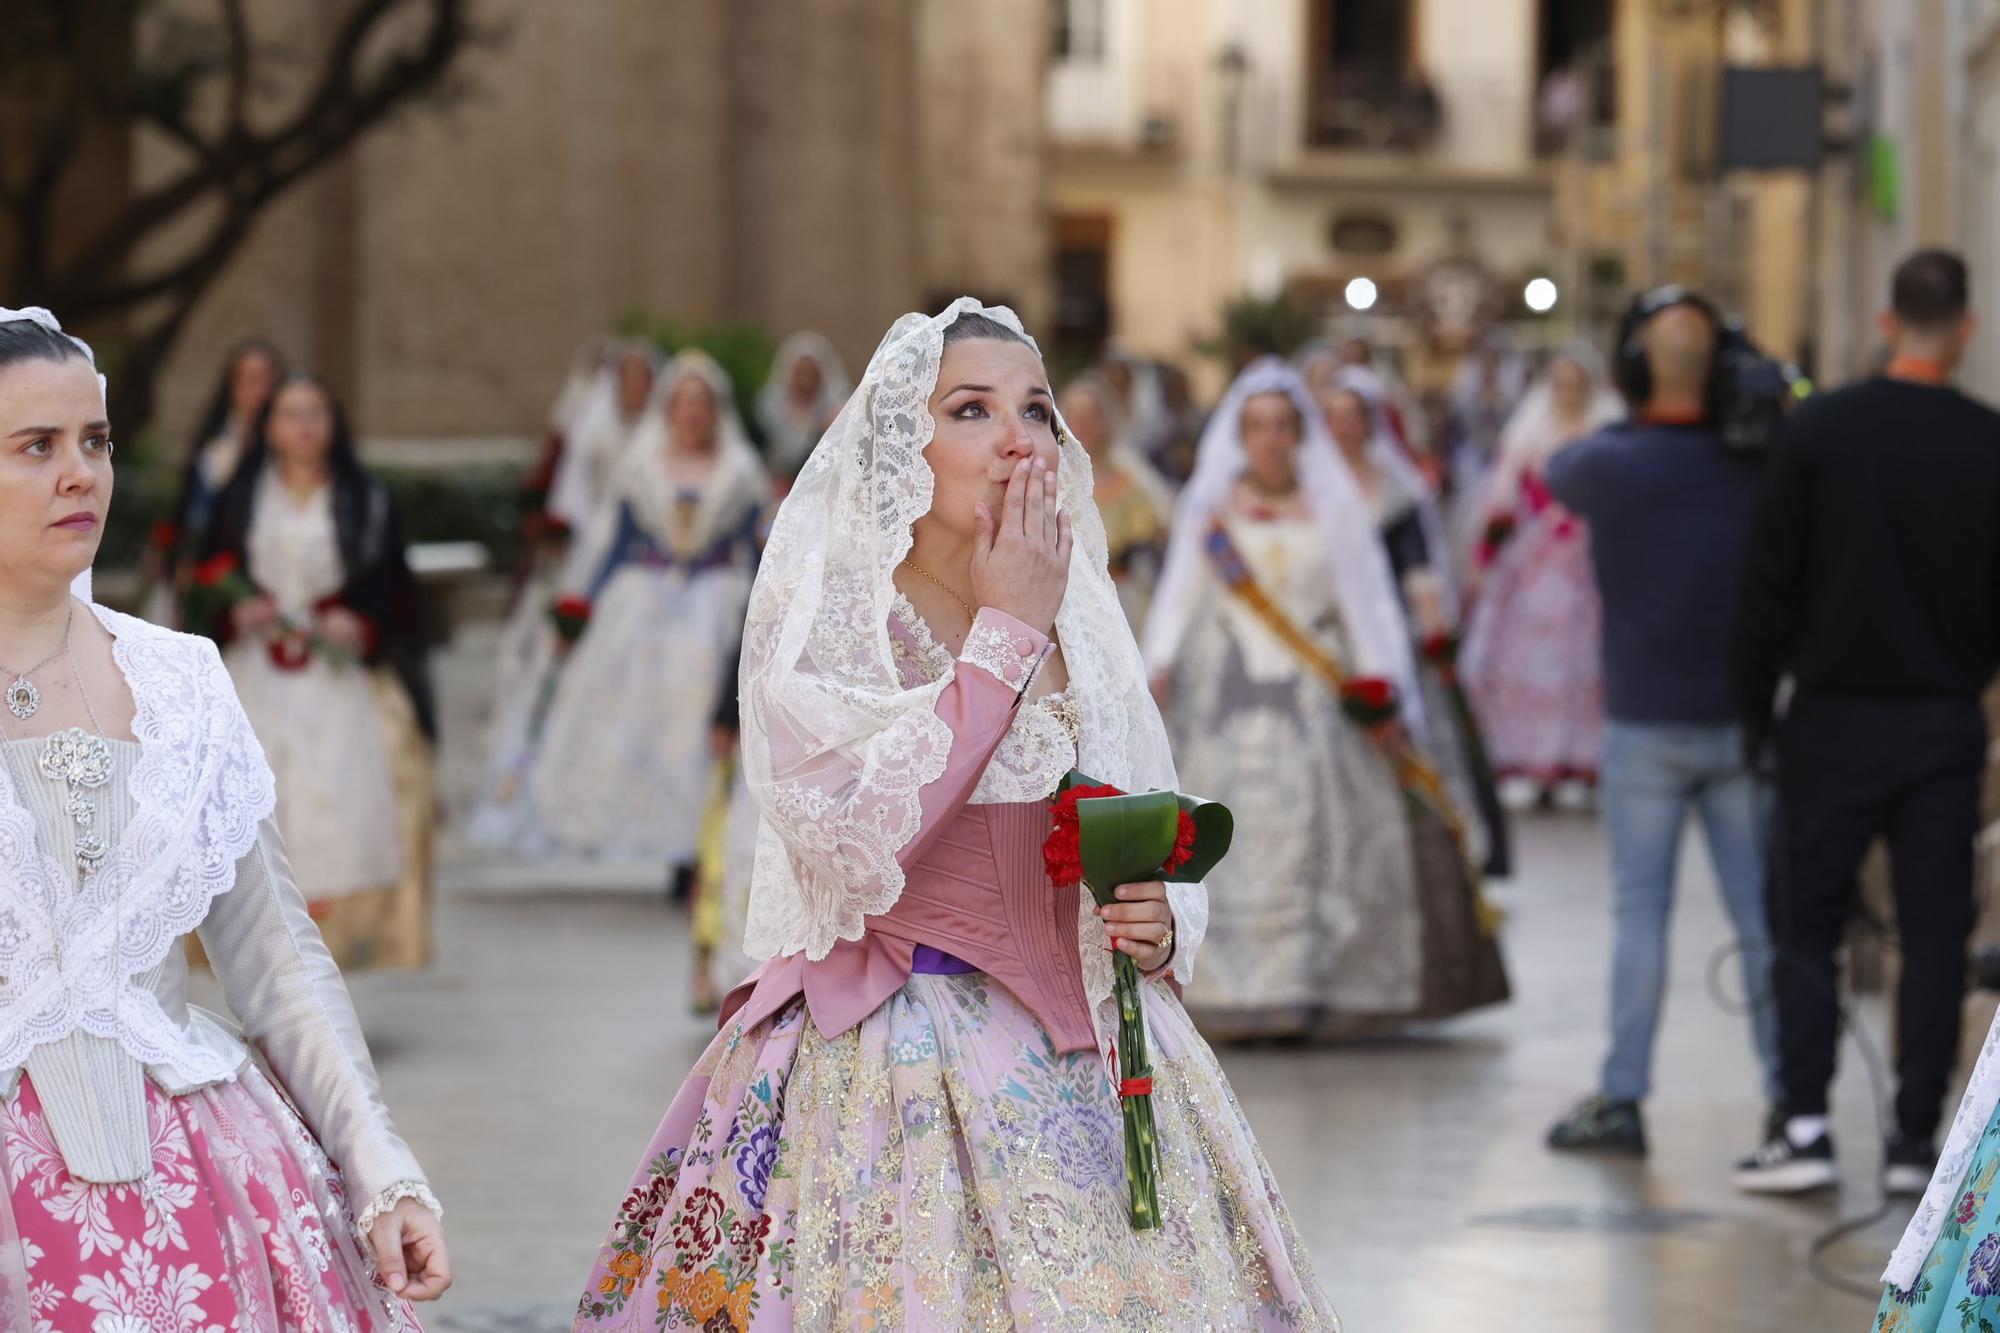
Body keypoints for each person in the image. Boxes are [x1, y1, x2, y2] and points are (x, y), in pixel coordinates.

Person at [571, 301, 1337, 1330]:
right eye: (971, 409)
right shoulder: (833, 625)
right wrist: (1002, 635)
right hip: (896, 1058)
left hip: (1091, 1058)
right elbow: (856, 847)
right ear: (902, 445)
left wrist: (1149, 918)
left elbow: (1128, 803)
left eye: (1036, 408)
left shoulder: (1076, 613)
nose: (1018, 436)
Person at [0, 307, 448, 1322]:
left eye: (95, 442)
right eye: (37, 446)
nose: (81, 474)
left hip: (202, 1193)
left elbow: (278, 963)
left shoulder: (182, 684)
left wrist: (380, 1165)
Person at [1736, 250, 2000, 1214]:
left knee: (1809, 922)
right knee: (1935, 933)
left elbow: (1766, 586)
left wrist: (1752, 711)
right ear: (1965, 328)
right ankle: (1913, 1136)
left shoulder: (1821, 433)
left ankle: (1802, 1124)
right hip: (1941, 724)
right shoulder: (1988, 443)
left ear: (1888, 322)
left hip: (1831, 719)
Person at [1142, 357, 1507, 1040]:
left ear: (1299, 433)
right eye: (1258, 426)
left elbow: (1366, 602)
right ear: (1241, 434)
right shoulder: (1212, 507)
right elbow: (1180, 593)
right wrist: (1155, 666)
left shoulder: (1333, 506)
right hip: (1225, 691)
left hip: (1314, 689)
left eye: (1283, 426)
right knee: (1224, 833)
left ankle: (1304, 986)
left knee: (1315, 837)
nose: (1272, 439)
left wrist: (1381, 684)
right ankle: (1227, 987)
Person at [1541, 287, 1781, 1157]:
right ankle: (1791, 1102)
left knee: (1639, 912)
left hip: (1643, 725)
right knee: (1760, 920)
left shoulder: (1608, 464)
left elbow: (1557, 465)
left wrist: (1634, 406)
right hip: (1740, 725)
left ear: (1634, 373)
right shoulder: (1759, 463)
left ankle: (1624, 1094)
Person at [194, 373, 439, 973]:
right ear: (269, 428)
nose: (304, 426)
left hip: (341, 678)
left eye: (316, 413)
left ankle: (332, 953)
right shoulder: (241, 496)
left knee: (345, 802)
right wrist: (235, 608)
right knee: (262, 802)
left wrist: (362, 626)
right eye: (289, 414)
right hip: (257, 672)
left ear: (334, 424)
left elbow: (396, 592)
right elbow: (203, 579)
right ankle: (261, 952)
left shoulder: (367, 499)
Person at [526, 351, 770, 867]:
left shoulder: (741, 470)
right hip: (645, 600)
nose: (692, 413)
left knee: (702, 715)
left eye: (701, 404)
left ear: (715, 410)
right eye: (683, 403)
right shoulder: (640, 465)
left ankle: (697, 844)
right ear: (669, 408)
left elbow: (755, 549)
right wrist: (582, 605)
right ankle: (653, 831)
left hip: (715, 602)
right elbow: (616, 545)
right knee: (638, 718)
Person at [1316, 363, 1511, 877]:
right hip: (1322, 633)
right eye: (1332, 416)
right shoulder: (1308, 487)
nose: (1342, 427)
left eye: (1352, 416)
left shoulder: (1394, 489)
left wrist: (1434, 635)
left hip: (1384, 628)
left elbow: (1417, 566)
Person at [1461, 347, 1623, 811]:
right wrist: (1488, 552)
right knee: (1527, 660)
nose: (1568, 393)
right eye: (1560, 384)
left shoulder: (1605, 428)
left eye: (1576, 384)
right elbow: (1504, 491)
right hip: (1537, 558)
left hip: (1588, 557)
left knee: (1584, 663)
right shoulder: (1532, 429)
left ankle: (1579, 761)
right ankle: (1530, 759)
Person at [145, 337, 285, 624]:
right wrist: (168, 545)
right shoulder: (219, 432)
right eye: (243, 379)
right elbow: (193, 492)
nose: (251, 389)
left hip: (239, 563)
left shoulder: (278, 443)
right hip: (195, 550)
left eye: (260, 379)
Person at [1057, 372, 1173, 629]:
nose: (1082, 424)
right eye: (1075, 415)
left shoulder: (1128, 479)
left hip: (1120, 601)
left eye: (1091, 415)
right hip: (1064, 602)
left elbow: (1160, 531)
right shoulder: (1050, 481)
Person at [755, 331, 851, 480]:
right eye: (801, 372)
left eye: (811, 372)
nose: (806, 379)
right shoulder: (771, 409)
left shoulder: (832, 410)